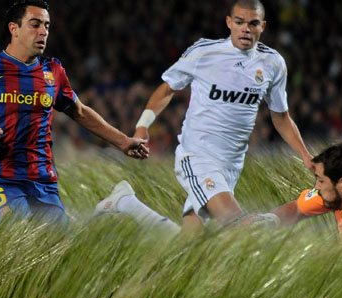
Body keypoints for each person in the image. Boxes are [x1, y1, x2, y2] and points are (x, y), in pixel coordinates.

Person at [94, 0, 312, 233]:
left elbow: (281, 117)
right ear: (229, 23)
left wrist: (306, 156)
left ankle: (124, 201)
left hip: (231, 165)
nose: (245, 29)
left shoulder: (273, 64)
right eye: (239, 22)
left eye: (253, 23)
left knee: (190, 247)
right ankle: (296, 212)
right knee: (241, 227)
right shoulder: (204, 52)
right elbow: (167, 89)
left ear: (263, 27)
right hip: (197, 155)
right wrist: (143, 125)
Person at [0, 0, 148, 223]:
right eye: (35, 24)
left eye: (47, 26)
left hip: (43, 181)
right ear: (14, 29)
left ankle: (113, 206)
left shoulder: (53, 70)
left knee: (65, 251)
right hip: (1, 178)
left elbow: (79, 112)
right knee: (18, 238)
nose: (43, 32)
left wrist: (123, 141)